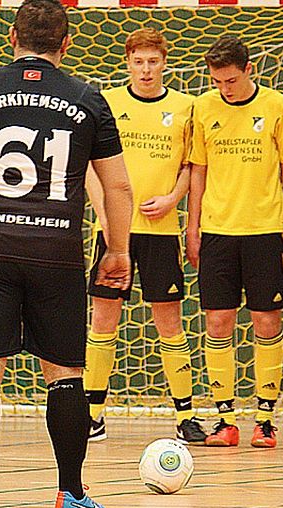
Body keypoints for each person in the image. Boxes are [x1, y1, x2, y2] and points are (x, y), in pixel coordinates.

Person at [0, 0, 133, 508]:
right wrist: (118, 249)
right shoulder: (88, 99)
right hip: (56, 254)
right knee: (65, 374)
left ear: (11, 37)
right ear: (67, 43)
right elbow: (120, 185)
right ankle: (71, 495)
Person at [82, 28, 206, 445]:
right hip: (114, 234)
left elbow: (192, 165)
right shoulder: (108, 103)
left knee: (169, 321)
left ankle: (185, 416)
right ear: (128, 62)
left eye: (153, 61)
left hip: (162, 231)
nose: (146, 69)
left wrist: (173, 198)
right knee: (103, 319)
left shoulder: (185, 107)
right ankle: (93, 414)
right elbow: (88, 167)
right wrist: (106, 216)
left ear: (164, 62)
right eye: (139, 61)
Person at [186, 35, 283, 449]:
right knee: (218, 322)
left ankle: (265, 419)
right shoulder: (203, 108)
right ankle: (225, 419)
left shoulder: (275, 105)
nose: (226, 88)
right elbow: (198, 171)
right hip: (219, 231)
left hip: (264, 229)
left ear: (249, 70)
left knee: (266, 322)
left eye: (233, 80)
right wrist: (193, 226)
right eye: (219, 81)